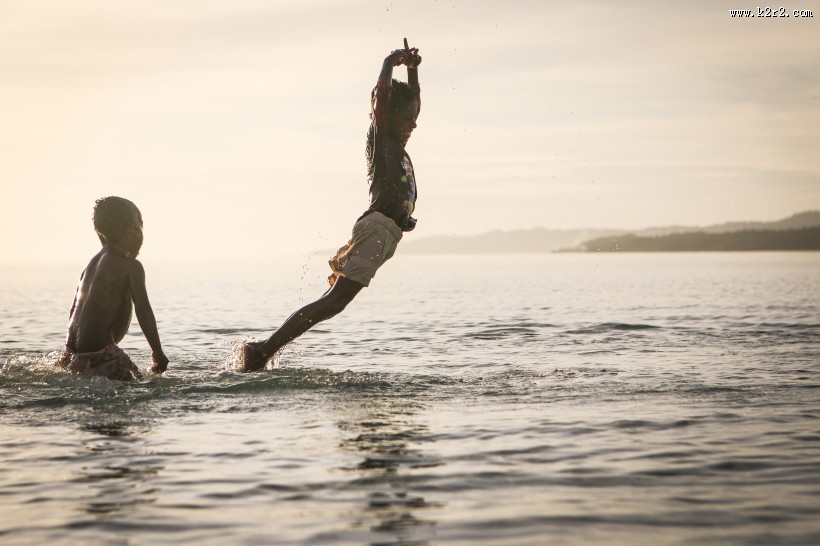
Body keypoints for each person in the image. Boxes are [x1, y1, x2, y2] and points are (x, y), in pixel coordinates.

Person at [238, 39, 423, 372]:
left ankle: (264, 350)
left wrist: (412, 73)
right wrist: (389, 62)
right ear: (388, 117)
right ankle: (262, 350)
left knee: (332, 303)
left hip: (387, 234)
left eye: (413, 117)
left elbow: (414, 104)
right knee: (333, 302)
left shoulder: (397, 140)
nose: (414, 123)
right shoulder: (383, 139)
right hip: (377, 228)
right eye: (407, 117)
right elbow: (382, 99)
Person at [58, 196, 169, 380]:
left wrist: (71, 354)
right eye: (141, 227)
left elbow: (73, 313)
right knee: (144, 385)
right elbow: (143, 309)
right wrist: (157, 353)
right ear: (130, 230)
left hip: (72, 356)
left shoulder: (90, 266)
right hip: (103, 356)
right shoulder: (130, 266)